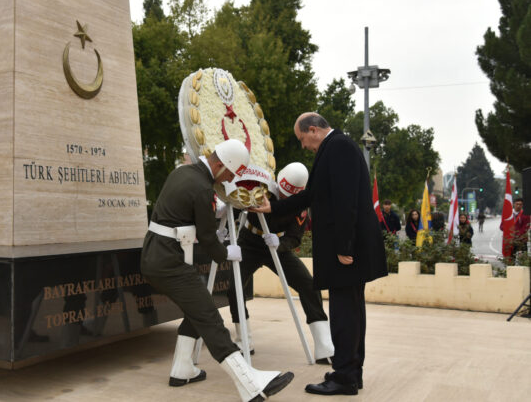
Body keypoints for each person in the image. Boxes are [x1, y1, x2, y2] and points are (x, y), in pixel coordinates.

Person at [141, 139, 294, 402]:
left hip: (157, 255)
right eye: (231, 174)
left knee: (198, 308)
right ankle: (249, 383)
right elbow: (208, 237)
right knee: (209, 316)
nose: (230, 180)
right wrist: (225, 253)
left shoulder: (182, 172)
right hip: (169, 261)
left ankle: (183, 369)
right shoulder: (201, 188)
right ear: (221, 165)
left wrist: (214, 212)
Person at [251, 113, 387, 396]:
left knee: (344, 314)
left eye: (302, 139)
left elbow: (346, 200)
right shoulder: (336, 147)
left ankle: (345, 377)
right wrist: (272, 208)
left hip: (347, 250)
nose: (303, 146)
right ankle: (349, 372)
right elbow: (312, 195)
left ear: (313, 130)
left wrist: (344, 247)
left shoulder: (338, 147)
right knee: (350, 311)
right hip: (347, 247)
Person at [225, 162, 334, 364]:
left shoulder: (301, 205)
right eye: (281, 193)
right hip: (249, 243)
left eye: (288, 197)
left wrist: (280, 244)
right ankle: (243, 341)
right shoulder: (261, 186)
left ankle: (324, 346)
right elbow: (238, 202)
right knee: (234, 288)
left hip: (277, 247)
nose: (283, 198)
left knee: (309, 285)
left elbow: (295, 237)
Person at [502, 197, 530, 262]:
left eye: (520, 204)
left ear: (522, 205)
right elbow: (502, 226)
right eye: (517, 204)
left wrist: (517, 235)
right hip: (510, 240)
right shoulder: (508, 214)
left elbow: (526, 227)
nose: (518, 206)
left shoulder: (525, 215)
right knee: (510, 259)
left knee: (523, 259)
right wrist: (508, 232)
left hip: (521, 240)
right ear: (514, 204)